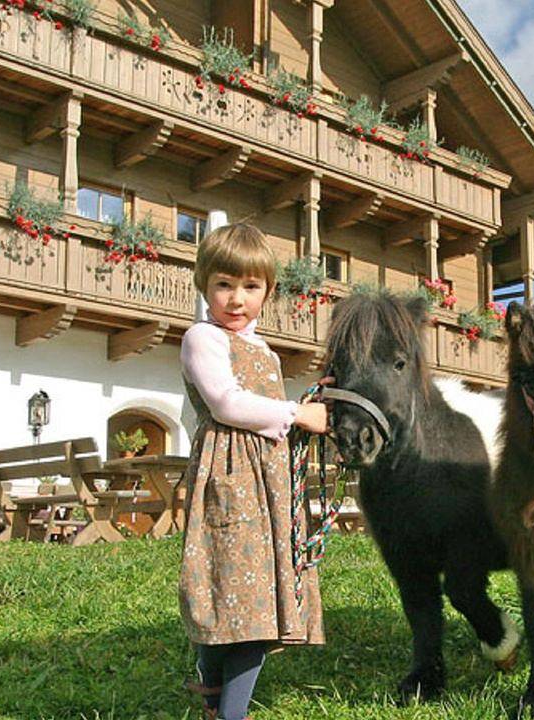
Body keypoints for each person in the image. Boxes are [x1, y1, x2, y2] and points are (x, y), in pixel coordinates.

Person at [178, 222, 329, 720]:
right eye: (224, 284)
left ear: (267, 291)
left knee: (258, 600)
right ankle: (225, 709)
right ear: (205, 285)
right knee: (235, 595)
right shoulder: (203, 337)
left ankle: (218, 701)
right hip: (230, 478)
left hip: (270, 480)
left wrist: (306, 410)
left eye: (250, 286)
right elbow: (226, 403)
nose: (236, 299)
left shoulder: (263, 350)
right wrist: (295, 413)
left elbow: (262, 406)